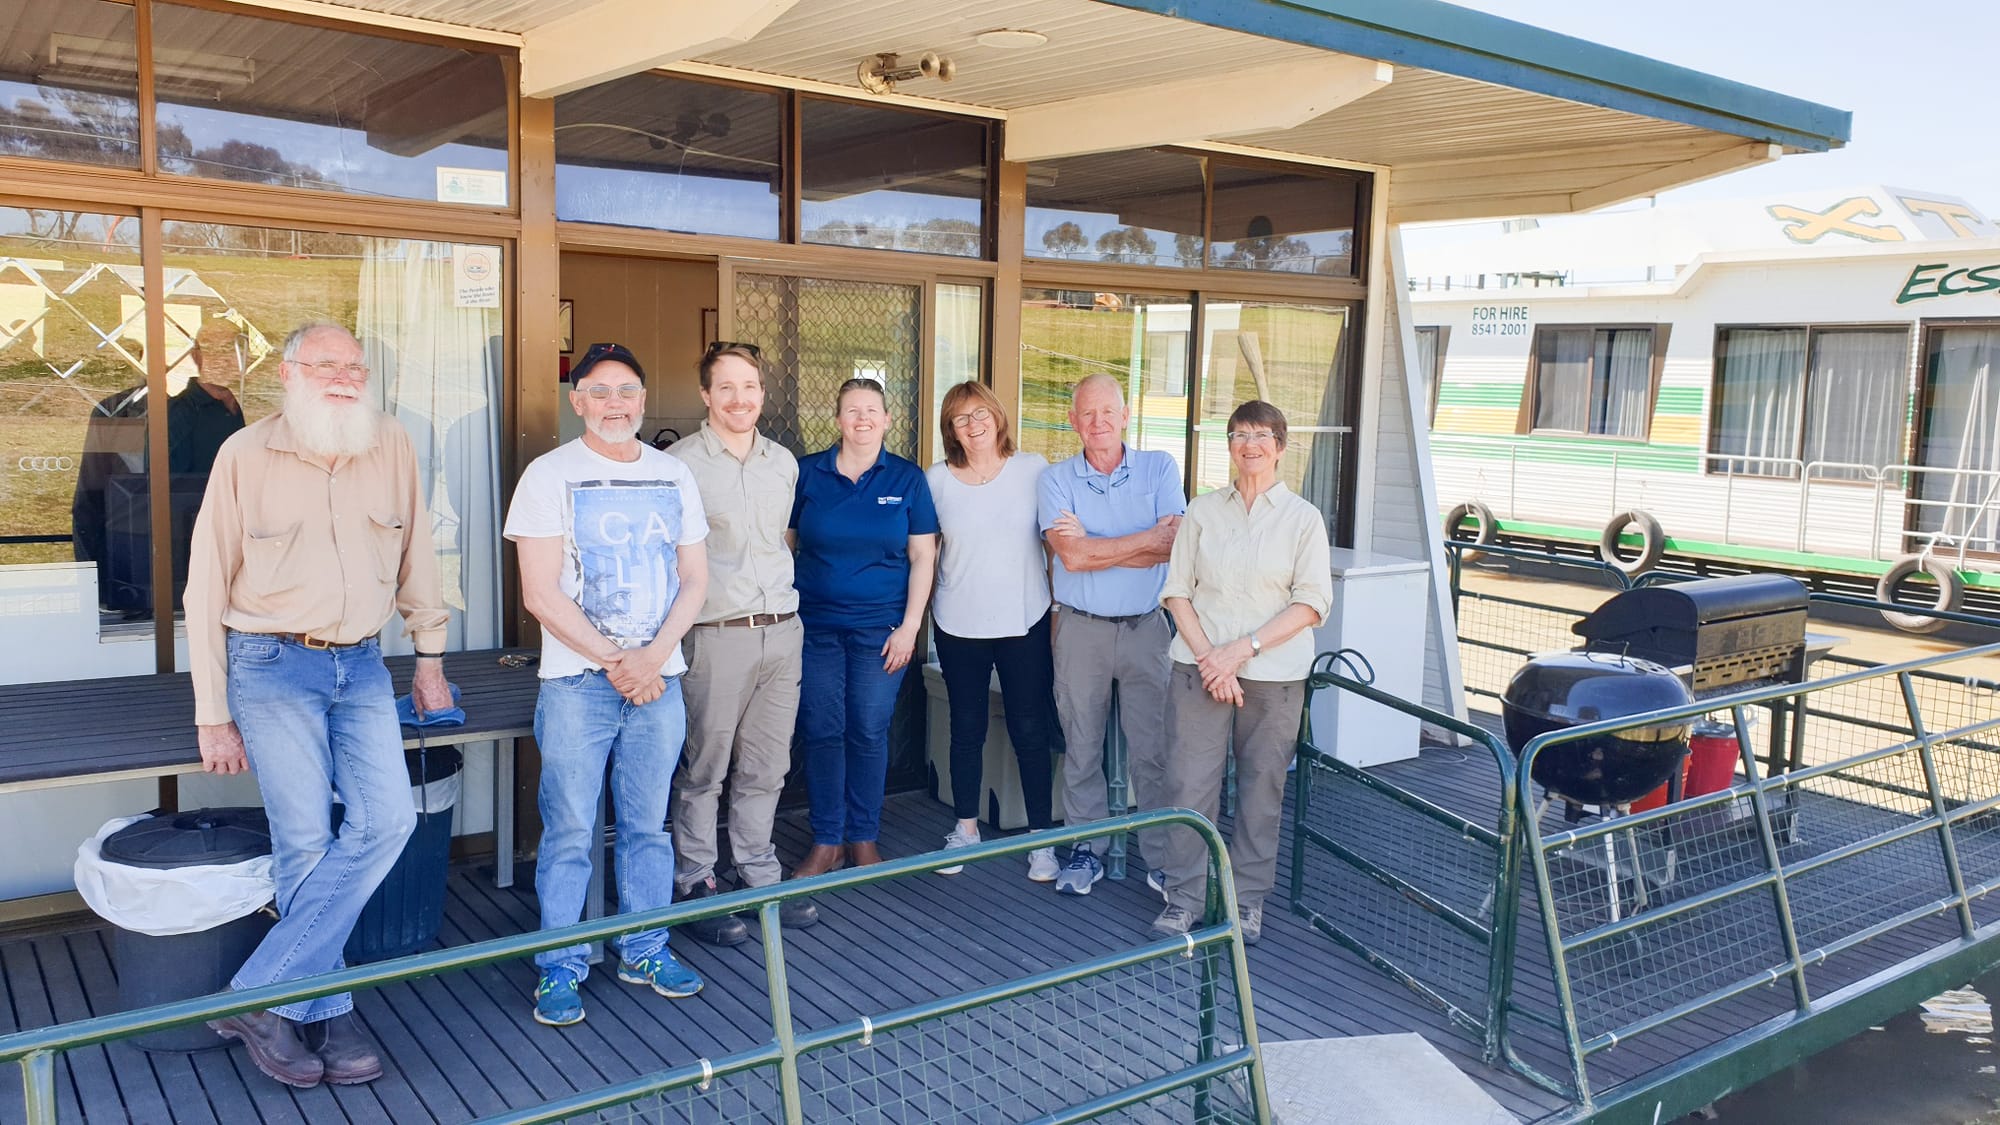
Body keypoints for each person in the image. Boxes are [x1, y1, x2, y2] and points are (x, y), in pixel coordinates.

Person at [186, 321, 450, 1088]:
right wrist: (212, 709)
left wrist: (428, 653)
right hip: (269, 664)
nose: (344, 377)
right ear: (288, 371)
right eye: (327, 364)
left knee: (389, 819)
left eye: (356, 366)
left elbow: (417, 554)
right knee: (304, 841)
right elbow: (205, 586)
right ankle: (323, 1011)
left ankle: (265, 995)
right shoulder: (244, 454)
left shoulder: (390, 443)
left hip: (363, 664)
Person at [503, 341, 711, 1027]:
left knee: (650, 827)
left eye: (625, 390)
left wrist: (653, 657)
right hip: (578, 685)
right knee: (567, 829)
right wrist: (621, 660)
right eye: (597, 390)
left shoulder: (672, 474)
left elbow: (695, 578)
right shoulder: (547, 474)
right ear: (577, 400)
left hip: (659, 680)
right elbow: (539, 593)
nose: (613, 403)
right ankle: (561, 964)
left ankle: (644, 947)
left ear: (643, 399)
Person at [1153, 401, 1333, 944]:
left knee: (1262, 788)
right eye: (1239, 434)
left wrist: (1241, 651)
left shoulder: (1304, 519)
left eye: (1262, 435)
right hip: (1199, 669)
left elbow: (1312, 604)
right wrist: (1214, 657)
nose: (1250, 444)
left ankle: (1246, 900)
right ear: (1228, 445)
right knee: (1188, 784)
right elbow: (1177, 592)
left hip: (1273, 676)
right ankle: (1184, 896)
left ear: (1280, 446)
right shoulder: (1203, 511)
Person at [666, 342, 818, 943]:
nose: (739, 399)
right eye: (725, 387)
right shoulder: (679, 465)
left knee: (767, 766)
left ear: (762, 392)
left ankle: (758, 872)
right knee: (705, 766)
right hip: (715, 636)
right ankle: (696, 879)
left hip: (782, 633)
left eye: (749, 386)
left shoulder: (783, 462)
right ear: (706, 395)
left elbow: (782, 539)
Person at [1037, 374, 1185, 896]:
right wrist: (1145, 539)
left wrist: (1100, 546)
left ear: (1125, 417)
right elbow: (1070, 557)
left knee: (1153, 749)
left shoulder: (1159, 467)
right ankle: (1085, 849)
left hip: (1147, 628)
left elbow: (1174, 547)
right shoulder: (1056, 479)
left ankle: (1163, 858)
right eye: (1087, 413)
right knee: (1081, 746)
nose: (1097, 422)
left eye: (1108, 412)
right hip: (1081, 631)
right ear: (1074, 421)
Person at [789, 377, 938, 876]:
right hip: (814, 628)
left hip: (882, 630)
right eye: (852, 410)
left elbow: (923, 555)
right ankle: (827, 840)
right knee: (822, 729)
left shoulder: (907, 479)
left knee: (869, 730)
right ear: (837, 420)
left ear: (887, 419)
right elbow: (785, 546)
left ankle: (863, 838)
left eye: (872, 409)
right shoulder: (807, 474)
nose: (862, 419)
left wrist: (911, 626)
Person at [924, 381, 1058, 881]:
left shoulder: (1033, 470)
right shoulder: (935, 480)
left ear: (998, 418)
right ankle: (965, 830)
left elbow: (1053, 543)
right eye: (962, 418)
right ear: (951, 430)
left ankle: (1041, 838)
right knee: (966, 729)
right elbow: (924, 553)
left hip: (1025, 619)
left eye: (981, 413)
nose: (974, 425)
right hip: (959, 622)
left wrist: (1060, 606)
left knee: (1029, 727)